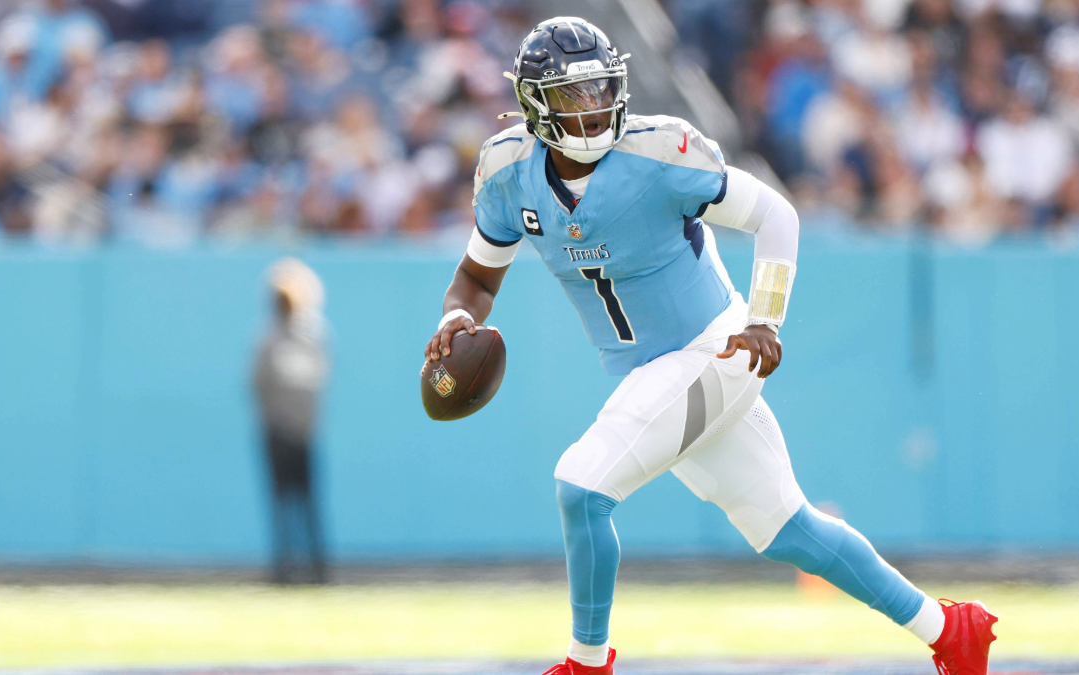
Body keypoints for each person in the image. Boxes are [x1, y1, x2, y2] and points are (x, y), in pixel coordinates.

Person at [421, 17, 998, 675]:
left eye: (601, 88)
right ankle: (952, 628)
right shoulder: (507, 171)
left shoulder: (659, 154)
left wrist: (766, 319)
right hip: (649, 370)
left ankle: (587, 662)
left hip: (713, 349)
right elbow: (473, 278)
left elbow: (775, 214)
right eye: (574, 95)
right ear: (533, 104)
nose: (594, 107)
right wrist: (455, 319)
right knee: (787, 527)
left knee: (581, 483)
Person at [254, 257, 330, 584]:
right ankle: (288, 565)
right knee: (286, 502)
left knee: (304, 501)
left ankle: (313, 566)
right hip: (282, 430)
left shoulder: (311, 337)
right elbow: (260, 386)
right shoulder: (270, 339)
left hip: (298, 430)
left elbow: (316, 384)